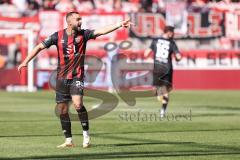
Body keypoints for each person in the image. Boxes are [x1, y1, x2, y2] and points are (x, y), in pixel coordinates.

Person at [18, 11, 132, 148]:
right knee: (62, 109)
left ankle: (86, 136)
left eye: (81, 19)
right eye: (78, 19)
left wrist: (119, 24)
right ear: (69, 22)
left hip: (77, 75)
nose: (80, 22)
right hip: (61, 78)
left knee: (78, 104)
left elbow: (101, 31)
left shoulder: (84, 34)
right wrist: (25, 61)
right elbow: (39, 47)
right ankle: (68, 140)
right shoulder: (57, 36)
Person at [144, 26, 181, 118]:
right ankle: (163, 111)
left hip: (157, 68)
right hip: (167, 69)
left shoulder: (155, 40)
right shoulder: (172, 43)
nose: (173, 34)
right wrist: (177, 58)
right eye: (172, 32)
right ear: (169, 32)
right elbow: (178, 57)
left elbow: (146, 53)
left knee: (157, 90)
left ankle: (159, 95)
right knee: (166, 91)